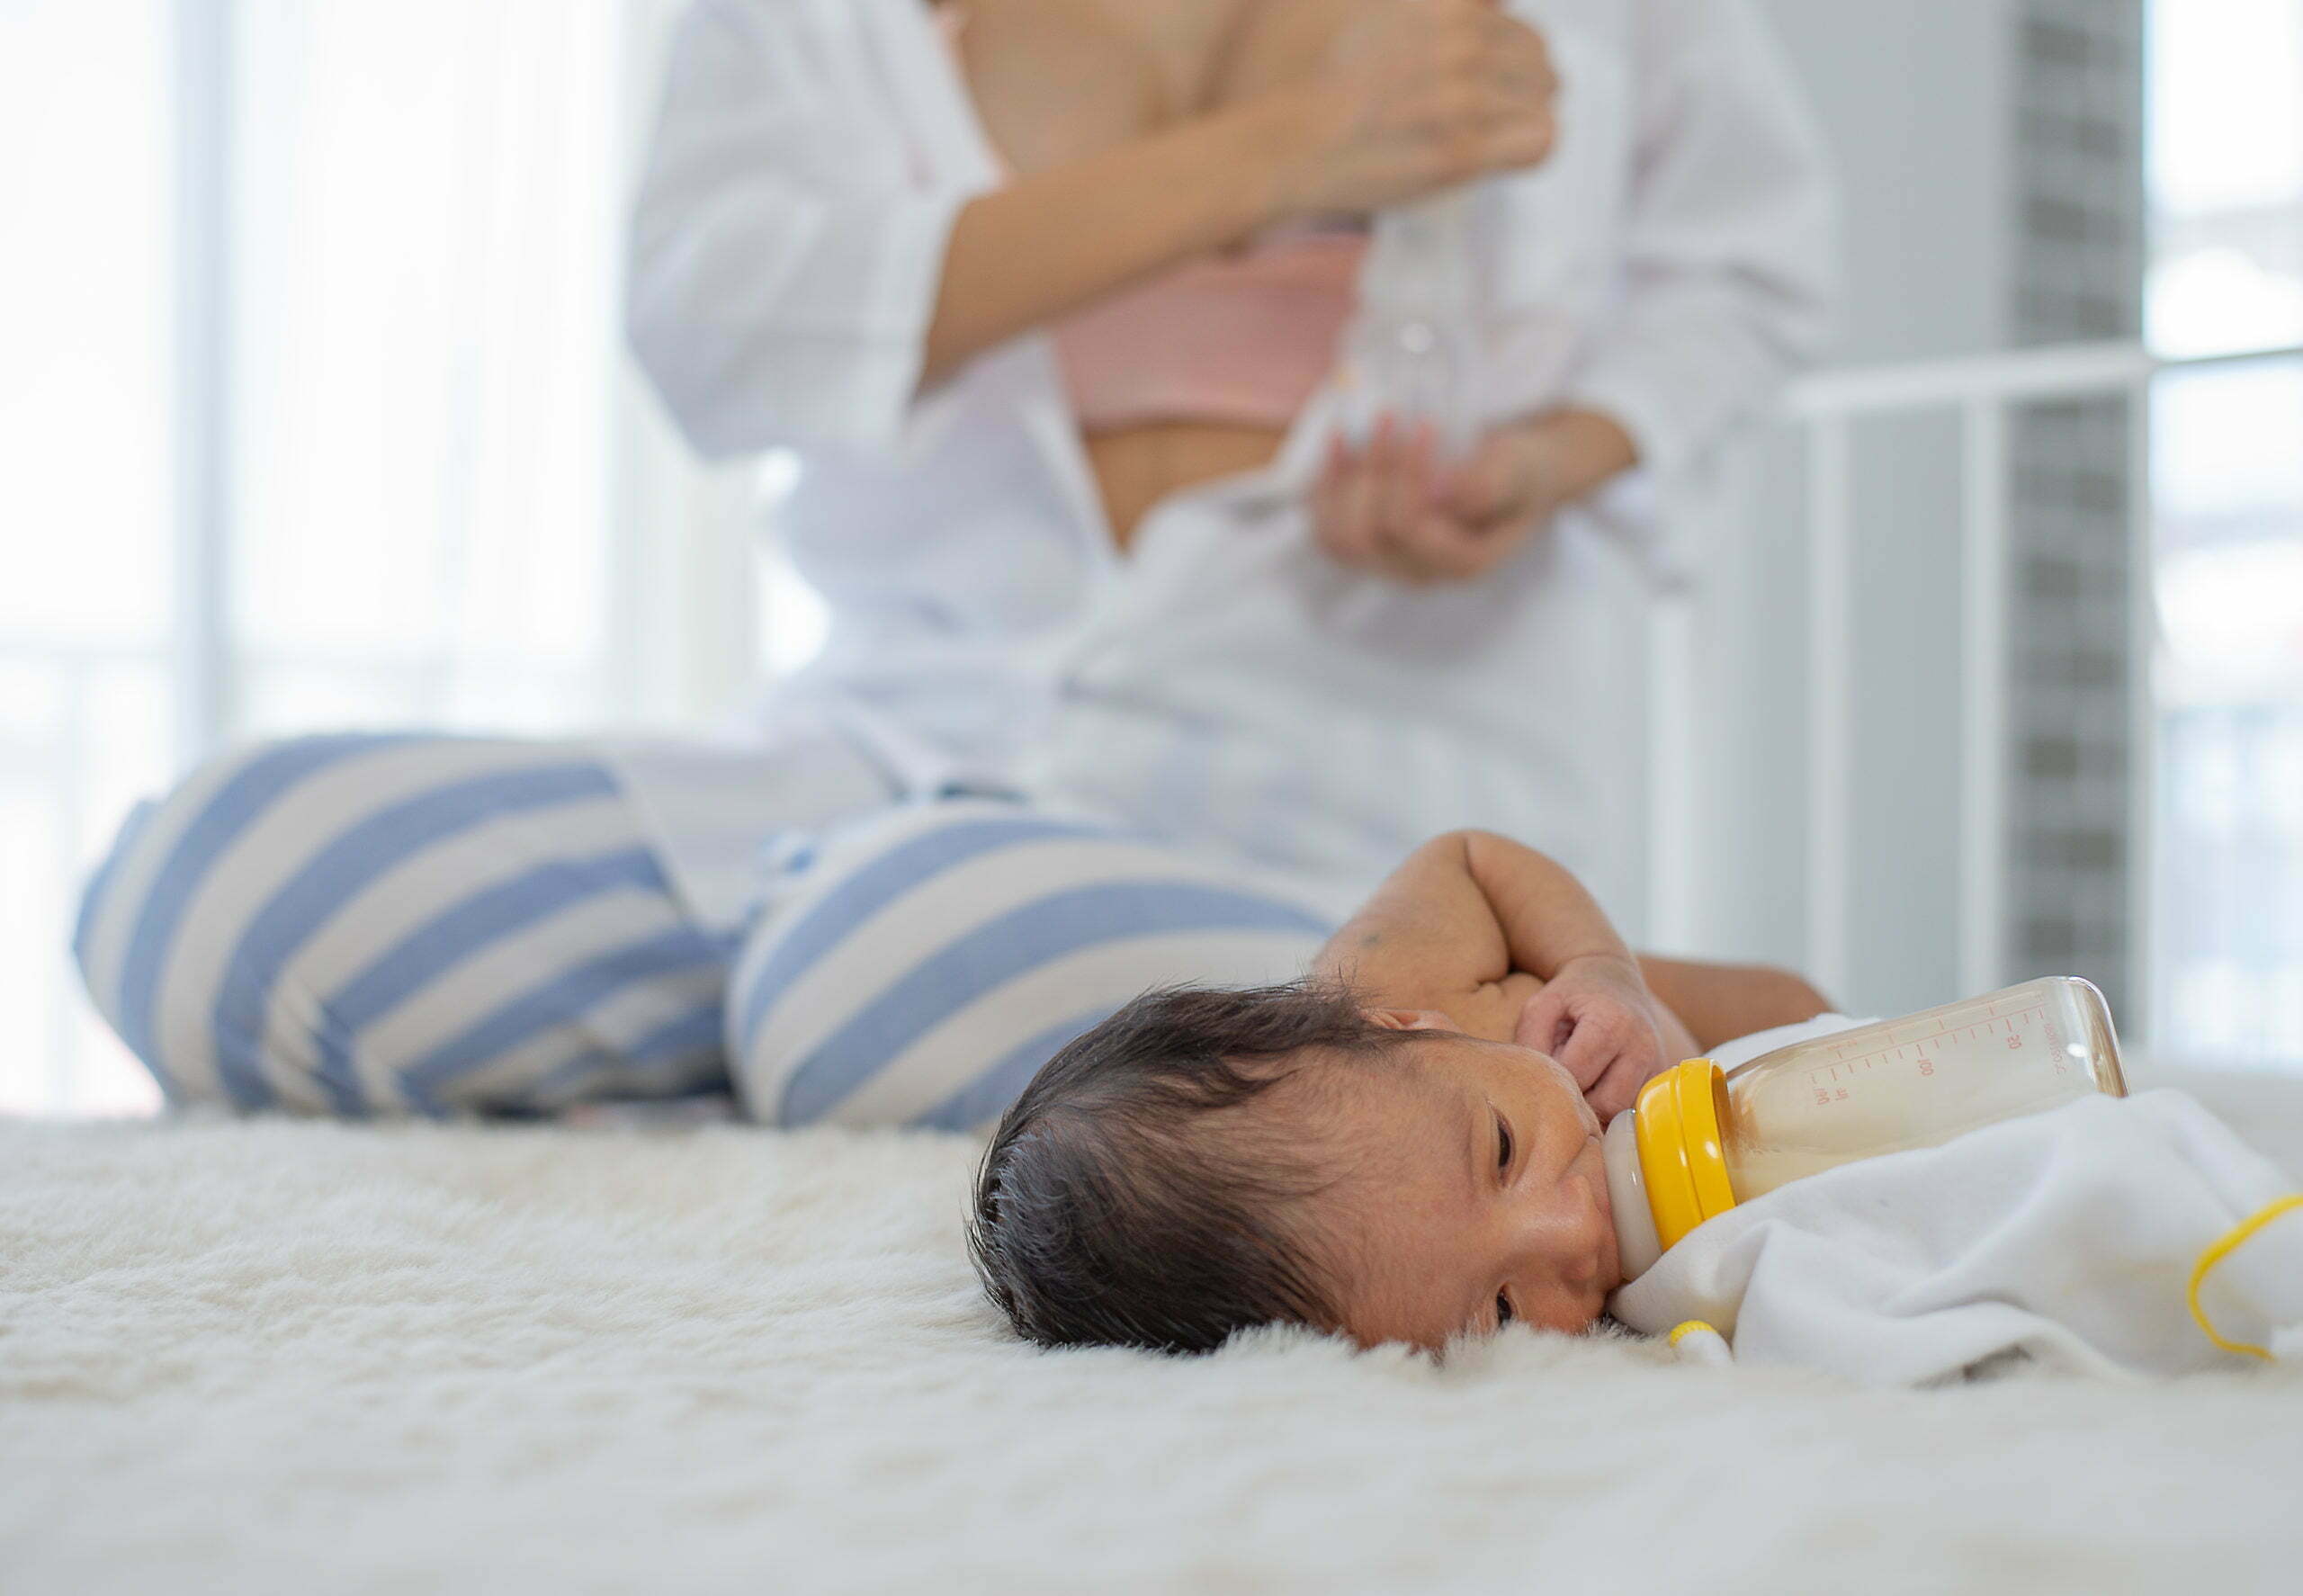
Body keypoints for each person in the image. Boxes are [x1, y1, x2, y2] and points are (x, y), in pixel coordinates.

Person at [623, 0, 1835, 924]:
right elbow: (704, 322)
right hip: (904, 722)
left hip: (1362, 778)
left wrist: (1545, 460)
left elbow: (1746, 280)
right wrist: (1291, 150)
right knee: (433, 862)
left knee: (884, 957)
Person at [968, 825, 1829, 1354]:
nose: (1571, 1231)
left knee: (1813, 1018)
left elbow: (1472, 858)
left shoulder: (1389, 972)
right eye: (1500, 1311)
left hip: (1700, 1025)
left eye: (1500, 1148)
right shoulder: (1383, 1288)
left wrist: (1598, 971)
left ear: (1403, 1027)